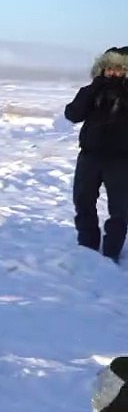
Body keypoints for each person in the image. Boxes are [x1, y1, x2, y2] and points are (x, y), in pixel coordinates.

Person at [64, 46, 128, 263]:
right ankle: (87, 248)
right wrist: (93, 89)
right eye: (109, 68)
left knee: (120, 210)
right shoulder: (92, 91)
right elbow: (73, 114)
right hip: (89, 156)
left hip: (121, 160)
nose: (114, 73)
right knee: (83, 202)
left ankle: (111, 254)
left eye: (120, 69)